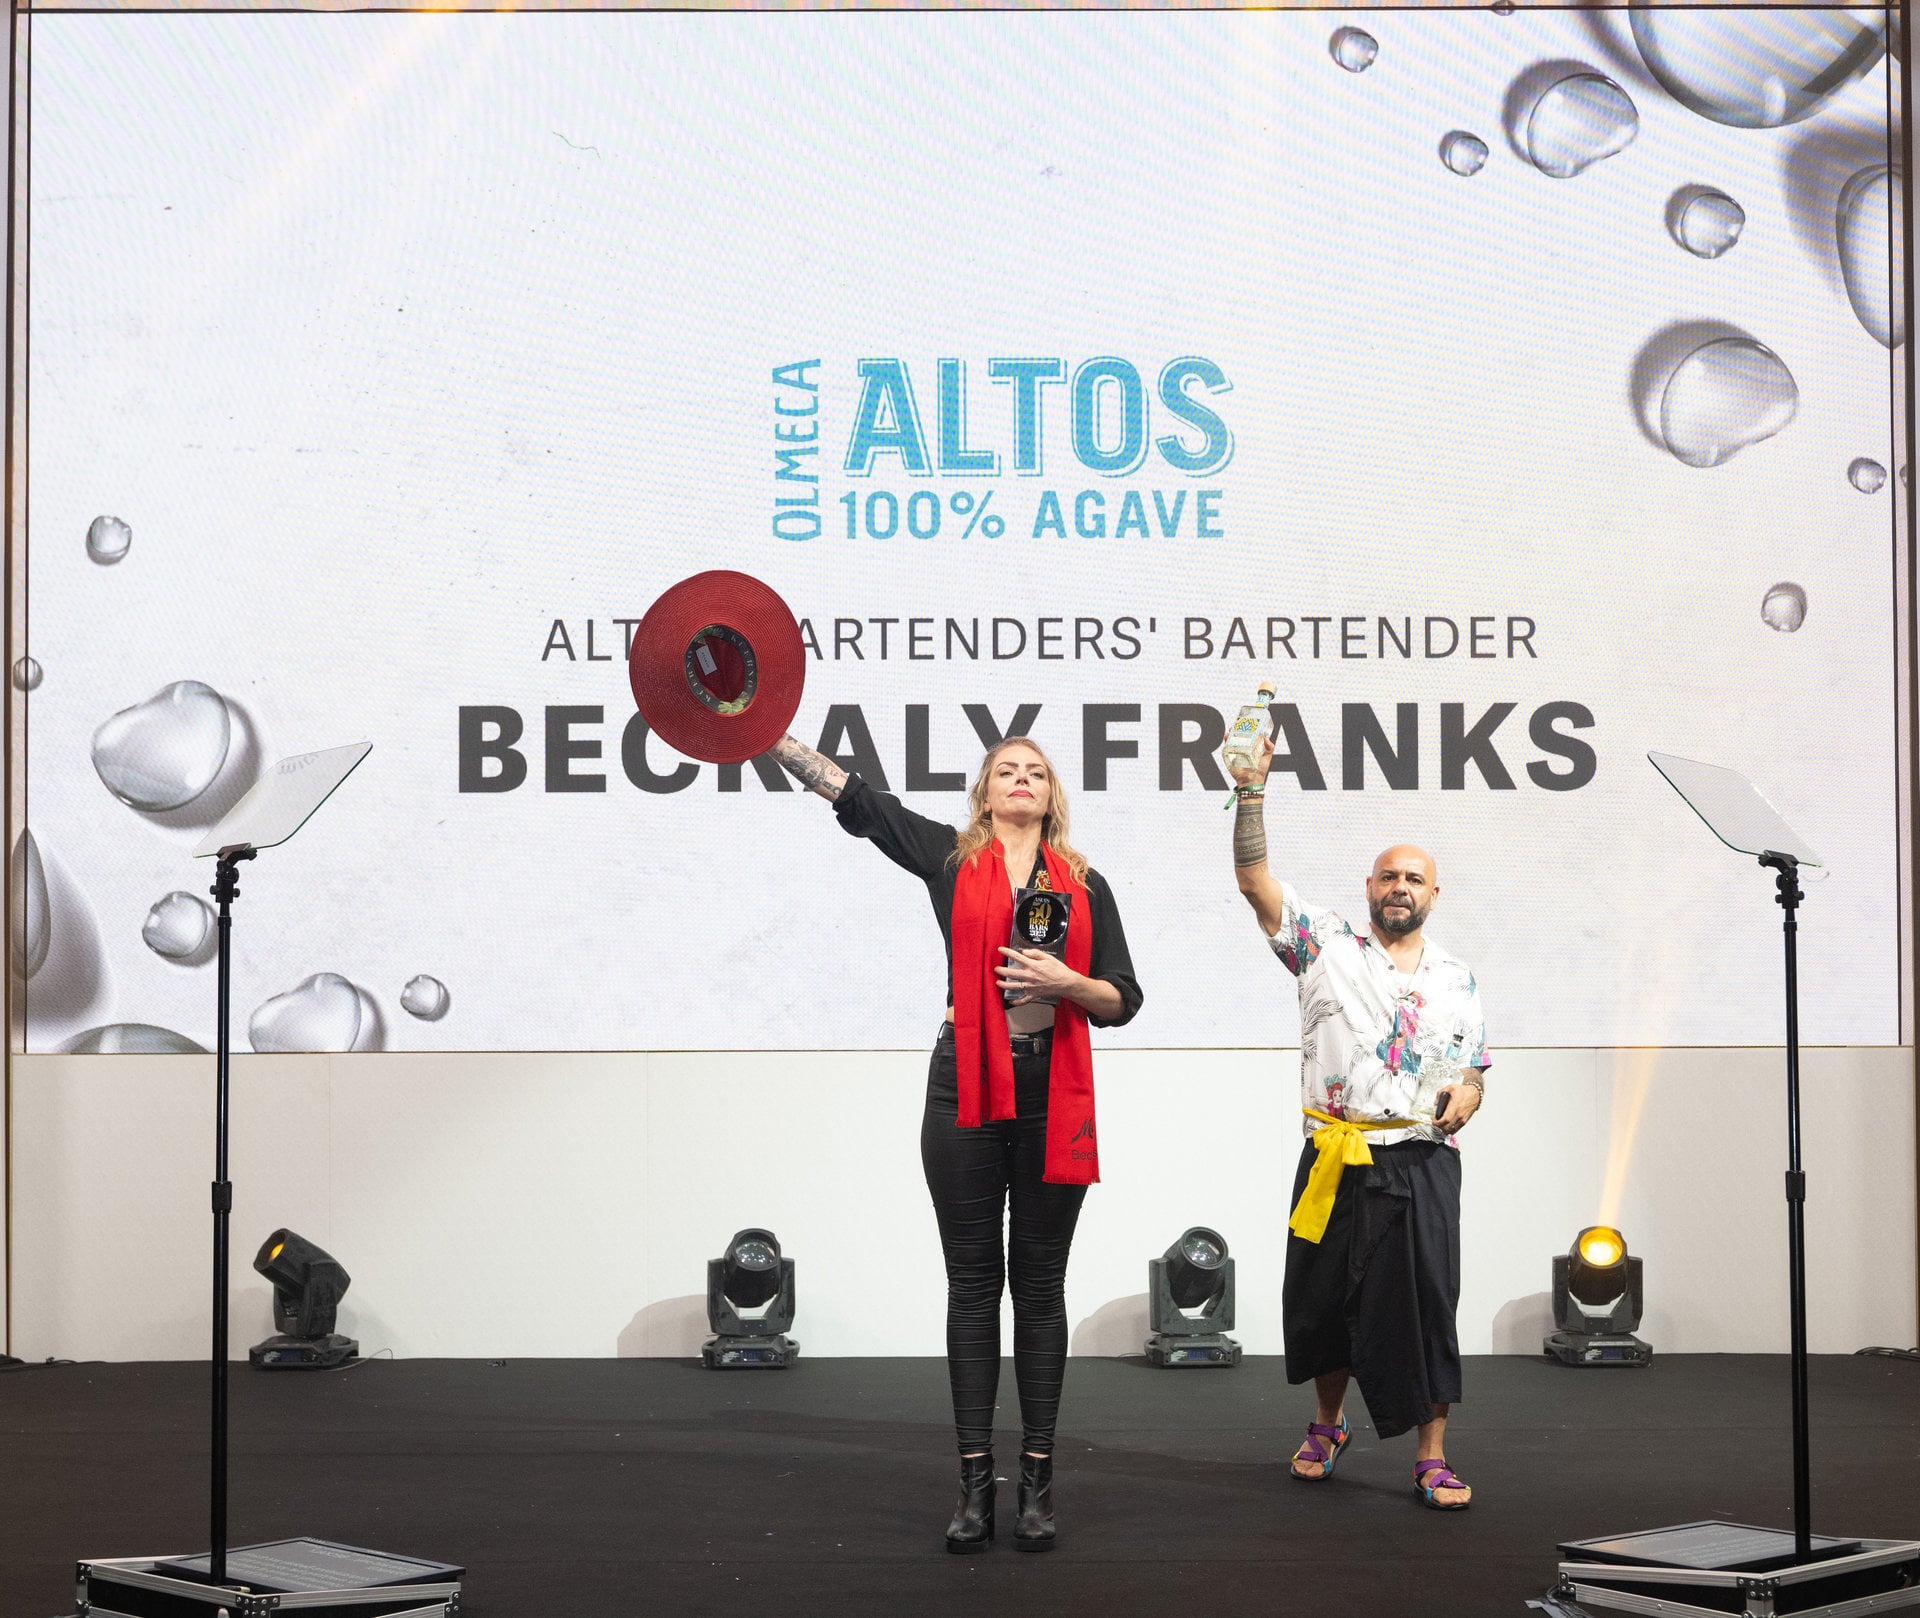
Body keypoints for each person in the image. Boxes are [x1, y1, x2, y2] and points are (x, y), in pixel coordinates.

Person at [768, 731, 1142, 1551]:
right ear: (985, 792)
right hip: (965, 1080)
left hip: (1052, 1088)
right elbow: (859, 801)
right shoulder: (950, 859)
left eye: (1036, 772)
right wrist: (772, 738)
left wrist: (1067, 984)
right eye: (1007, 770)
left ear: (1051, 795)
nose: (1021, 779)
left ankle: (1037, 1484)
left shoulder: (1086, 884)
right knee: (972, 1285)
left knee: (1039, 1289)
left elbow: (1124, 998)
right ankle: (974, 1486)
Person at [1227, 731, 1488, 1510]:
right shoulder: (1324, 946)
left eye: (1415, 878)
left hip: (1421, 1160)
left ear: (1434, 894)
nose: (1400, 887)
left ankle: (1432, 1456)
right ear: (1369, 886)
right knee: (1324, 1303)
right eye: (1389, 875)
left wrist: (1472, 1091)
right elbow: (1253, 880)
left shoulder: (1457, 978)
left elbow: (1471, 1067)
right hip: (1337, 1155)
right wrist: (1251, 792)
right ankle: (1327, 1425)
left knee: (1429, 1307)